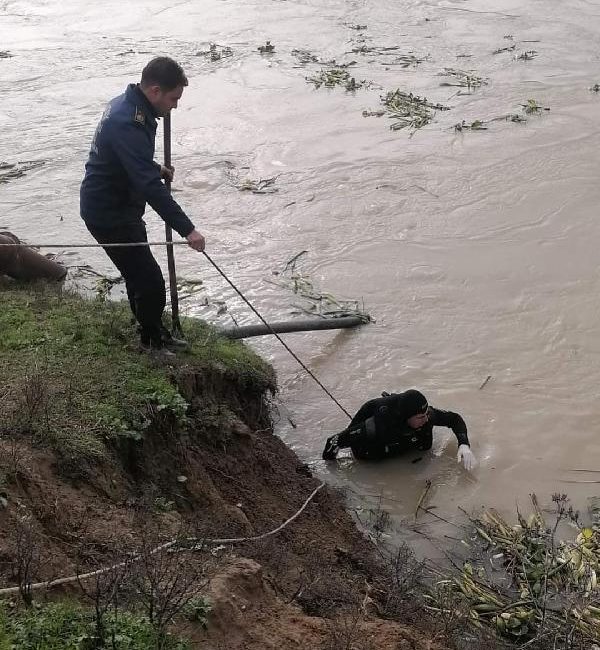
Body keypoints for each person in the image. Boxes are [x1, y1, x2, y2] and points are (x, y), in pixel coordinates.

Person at [80, 56, 206, 355]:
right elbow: (149, 188)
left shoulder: (129, 105)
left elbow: (127, 158)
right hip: (109, 213)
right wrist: (188, 230)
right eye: (173, 98)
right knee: (149, 282)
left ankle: (153, 333)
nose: (174, 106)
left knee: (139, 276)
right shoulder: (128, 119)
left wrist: (153, 168)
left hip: (118, 205)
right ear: (154, 91)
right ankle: (153, 343)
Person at [322, 389, 477, 470]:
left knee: (425, 443)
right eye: (420, 417)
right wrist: (332, 472)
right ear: (406, 416)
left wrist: (464, 444)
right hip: (375, 448)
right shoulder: (377, 424)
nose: (426, 419)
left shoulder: (426, 415)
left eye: (426, 414)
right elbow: (334, 441)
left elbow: (455, 419)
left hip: (404, 440)